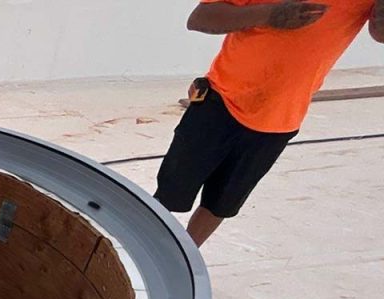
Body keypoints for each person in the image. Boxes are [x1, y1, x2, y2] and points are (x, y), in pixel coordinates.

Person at [155, 0, 384, 247]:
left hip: (280, 120)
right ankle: (140, 255)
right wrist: (269, 14)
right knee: (171, 194)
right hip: (220, 103)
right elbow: (201, 18)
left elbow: (379, 32)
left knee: (223, 202)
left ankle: (182, 261)